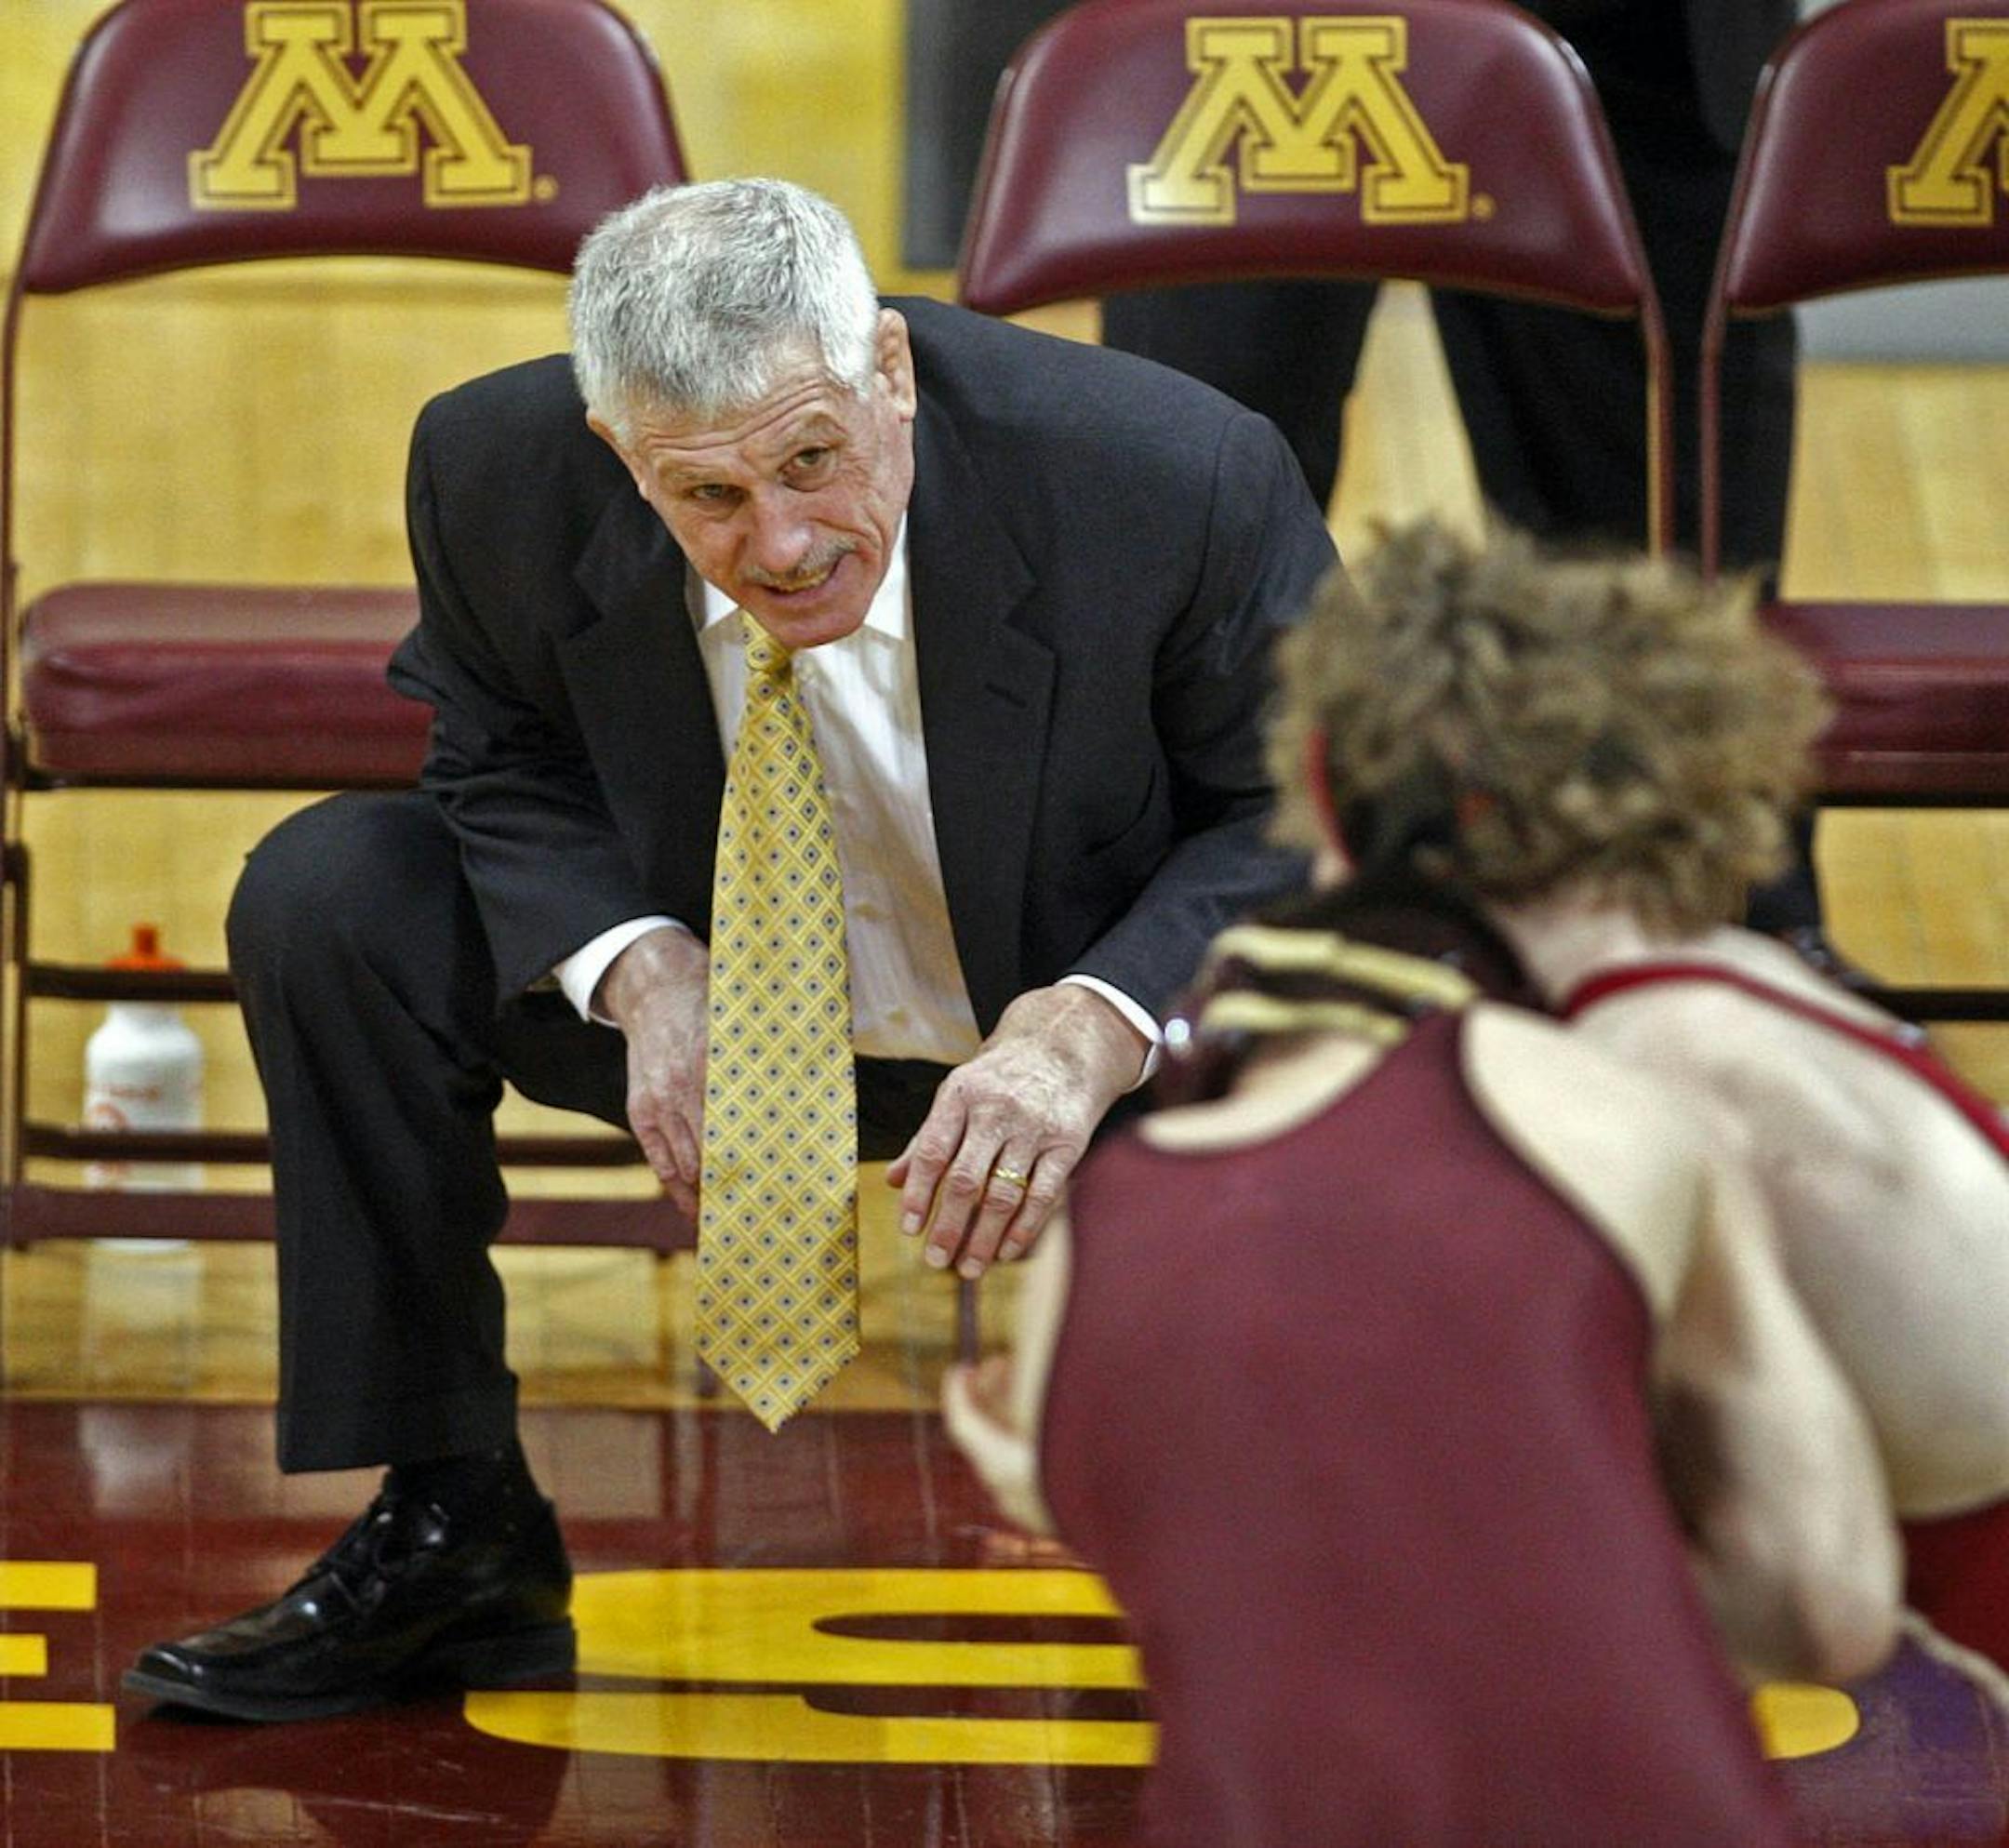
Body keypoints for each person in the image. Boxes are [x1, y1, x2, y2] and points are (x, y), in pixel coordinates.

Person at [122, 178, 1337, 1722]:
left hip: (1073, 1005)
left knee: (1394, 975)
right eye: (705, 496)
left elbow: (1307, 814)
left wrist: (1088, 1027)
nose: (780, 543)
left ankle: (1324, 1524)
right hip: (712, 1010)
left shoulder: (1168, 476)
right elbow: (489, 754)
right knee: (334, 894)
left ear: (890, 373)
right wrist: (642, 970)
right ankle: (453, 1531)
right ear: (614, 447)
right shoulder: (492, 469)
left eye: (814, 460)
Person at [944, 565, 1898, 1842]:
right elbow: (1823, 1609)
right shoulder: (1629, 1125)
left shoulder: (1111, 1213)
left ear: (1322, 801)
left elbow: (1235, 1579)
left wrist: (1054, 1476)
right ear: (1671, 828)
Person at [908, 0, 1827, 937]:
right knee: (1183, 516)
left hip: (1639, 47)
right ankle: (1156, 981)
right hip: (1256, 31)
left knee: (1662, 553)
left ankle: (1725, 951)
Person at [1284, 517, 2009, 1681]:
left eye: (1322, 840)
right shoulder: (1737, 975)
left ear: (1405, 827)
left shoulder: (1647, 1079)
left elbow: (1814, 1612)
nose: (1314, 883)